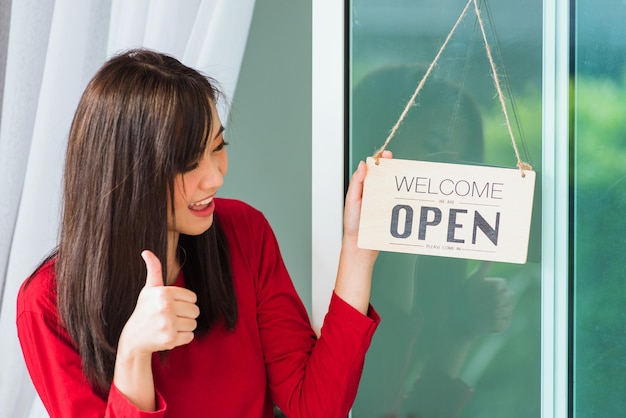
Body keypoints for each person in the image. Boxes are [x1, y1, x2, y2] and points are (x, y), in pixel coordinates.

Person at [16, 49, 390, 418]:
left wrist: (357, 250)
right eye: (189, 162)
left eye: (217, 147)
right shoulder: (48, 303)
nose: (215, 176)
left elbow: (317, 407)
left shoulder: (245, 232)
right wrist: (133, 353)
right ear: (127, 176)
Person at [350, 64, 517, 418]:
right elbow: (370, 406)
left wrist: (462, 330)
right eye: (433, 149)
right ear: (376, 142)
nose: (447, 176)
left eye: (461, 164)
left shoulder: (426, 274)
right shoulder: (321, 255)